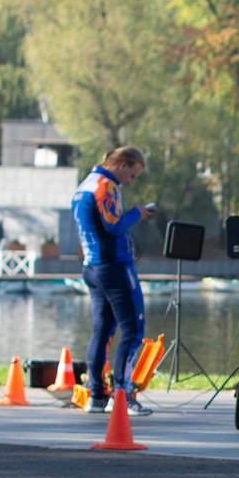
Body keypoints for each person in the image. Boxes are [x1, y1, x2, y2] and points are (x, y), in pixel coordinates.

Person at [73, 146, 155, 416]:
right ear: (122, 164)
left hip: (92, 267)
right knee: (133, 330)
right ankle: (123, 395)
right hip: (114, 267)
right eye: (132, 174)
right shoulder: (105, 185)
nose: (130, 181)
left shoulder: (83, 185)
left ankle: (96, 395)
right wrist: (137, 213)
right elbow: (113, 225)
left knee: (103, 330)